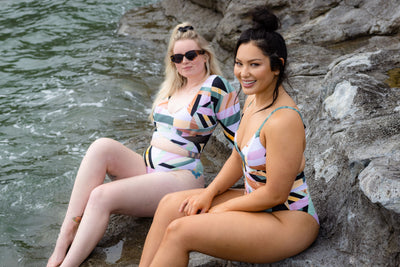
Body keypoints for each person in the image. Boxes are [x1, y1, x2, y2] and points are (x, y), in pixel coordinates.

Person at [47, 22, 240, 267]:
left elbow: (240, 140)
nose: (185, 62)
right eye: (177, 57)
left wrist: (228, 189)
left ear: (205, 55)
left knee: (100, 195)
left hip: (180, 177)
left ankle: (67, 264)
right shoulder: (173, 87)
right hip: (149, 168)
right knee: (100, 146)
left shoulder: (216, 87)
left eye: (191, 55)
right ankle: (64, 240)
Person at [139, 7, 320, 267]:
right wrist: (208, 194)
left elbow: (275, 195)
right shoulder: (254, 100)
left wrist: (221, 209)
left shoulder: (284, 120)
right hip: (253, 198)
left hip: (288, 218)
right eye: (239, 63)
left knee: (181, 231)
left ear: (277, 67)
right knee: (170, 205)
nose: (243, 73)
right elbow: (238, 156)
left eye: (254, 65)